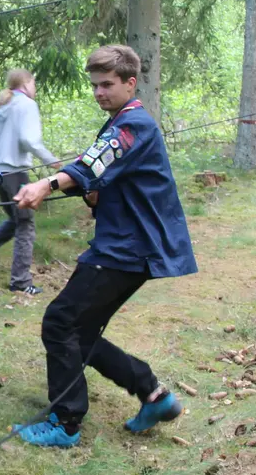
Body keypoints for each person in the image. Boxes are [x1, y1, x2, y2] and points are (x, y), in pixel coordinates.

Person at [12, 45, 197, 448]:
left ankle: (65, 422)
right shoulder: (121, 122)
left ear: (131, 83)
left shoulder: (133, 125)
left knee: (61, 323)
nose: (99, 92)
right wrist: (90, 193)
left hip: (126, 250)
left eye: (107, 84)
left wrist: (47, 183)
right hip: (128, 247)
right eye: (95, 85)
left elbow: (94, 164)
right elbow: (103, 180)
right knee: (80, 330)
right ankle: (153, 395)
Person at [0, 68, 60, 295]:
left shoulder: (1, 105)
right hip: (16, 171)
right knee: (26, 224)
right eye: (34, 83)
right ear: (26, 83)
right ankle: (21, 282)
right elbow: (29, 139)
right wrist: (52, 161)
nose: (35, 88)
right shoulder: (26, 105)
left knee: (15, 218)